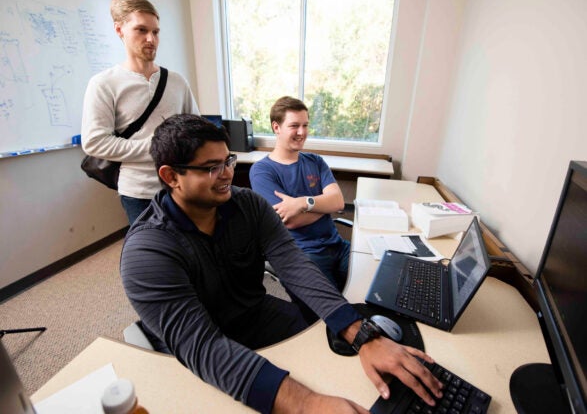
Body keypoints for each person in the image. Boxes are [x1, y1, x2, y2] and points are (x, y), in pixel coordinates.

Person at [120, 114, 443, 414]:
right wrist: (307, 403)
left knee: (337, 357)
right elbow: (201, 344)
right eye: (211, 167)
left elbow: (295, 266)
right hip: (200, 344)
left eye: (228, 161)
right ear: (171, 175)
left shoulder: (247, 205)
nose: (228, 174)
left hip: (256, 315)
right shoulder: (147, 251)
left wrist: (363, 334)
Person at [81, 0, 199, 224]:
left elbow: (195, 128)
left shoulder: (177, 81)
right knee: (152, 255)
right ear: (119, 30)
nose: (151, 39)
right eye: (141, 30)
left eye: (155, 32)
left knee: (193, 250)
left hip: (183, 186)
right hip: (139, 192)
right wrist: (156, 148)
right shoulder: (104, 83)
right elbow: (94, 141)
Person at [249, 96, 349, 291]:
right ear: (276, 127)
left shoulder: (315, 161)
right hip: (301, 253)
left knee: (372, 285)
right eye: (294, 125)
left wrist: (302, 203)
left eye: (305, 125)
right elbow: (289, 220)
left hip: (337, 244)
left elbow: (338, 202)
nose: (302, 132)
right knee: (335, 309)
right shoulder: (262, 171)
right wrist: (324, 204)